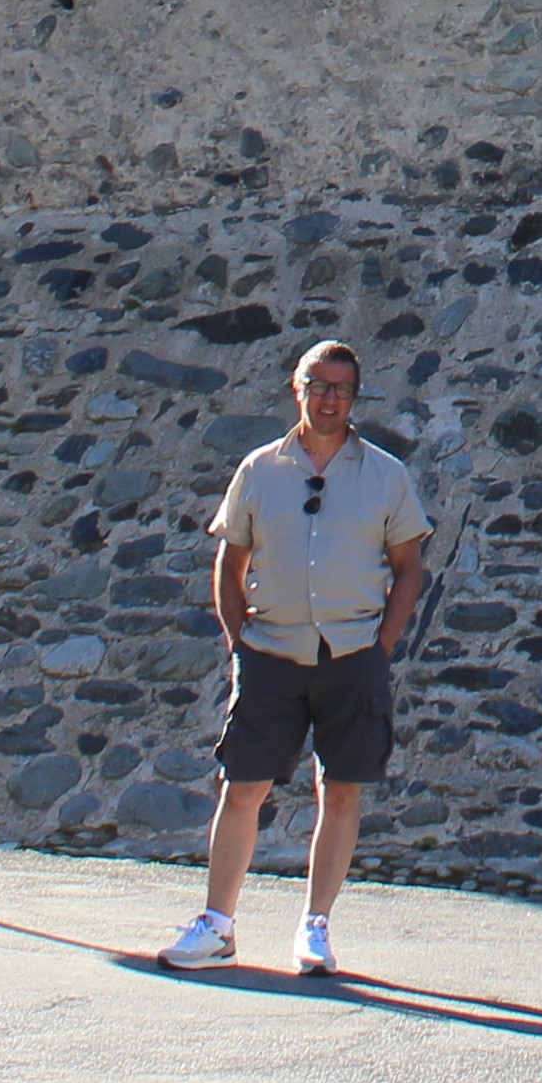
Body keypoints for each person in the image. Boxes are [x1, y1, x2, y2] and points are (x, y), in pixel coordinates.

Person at [161, 337, 428, 975]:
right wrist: (240, 643)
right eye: (319, 386)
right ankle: (217, 926)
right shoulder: (259, 470)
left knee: (341, 790)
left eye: (342, 389)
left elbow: (409, 568)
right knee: (243, 787)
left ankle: (316, 928)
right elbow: (230, 561)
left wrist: (381, 648)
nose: (330, 399)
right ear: (297, 388)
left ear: (354, 397)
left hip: (352, 654)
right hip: (271, 654)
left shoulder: (386, 475)